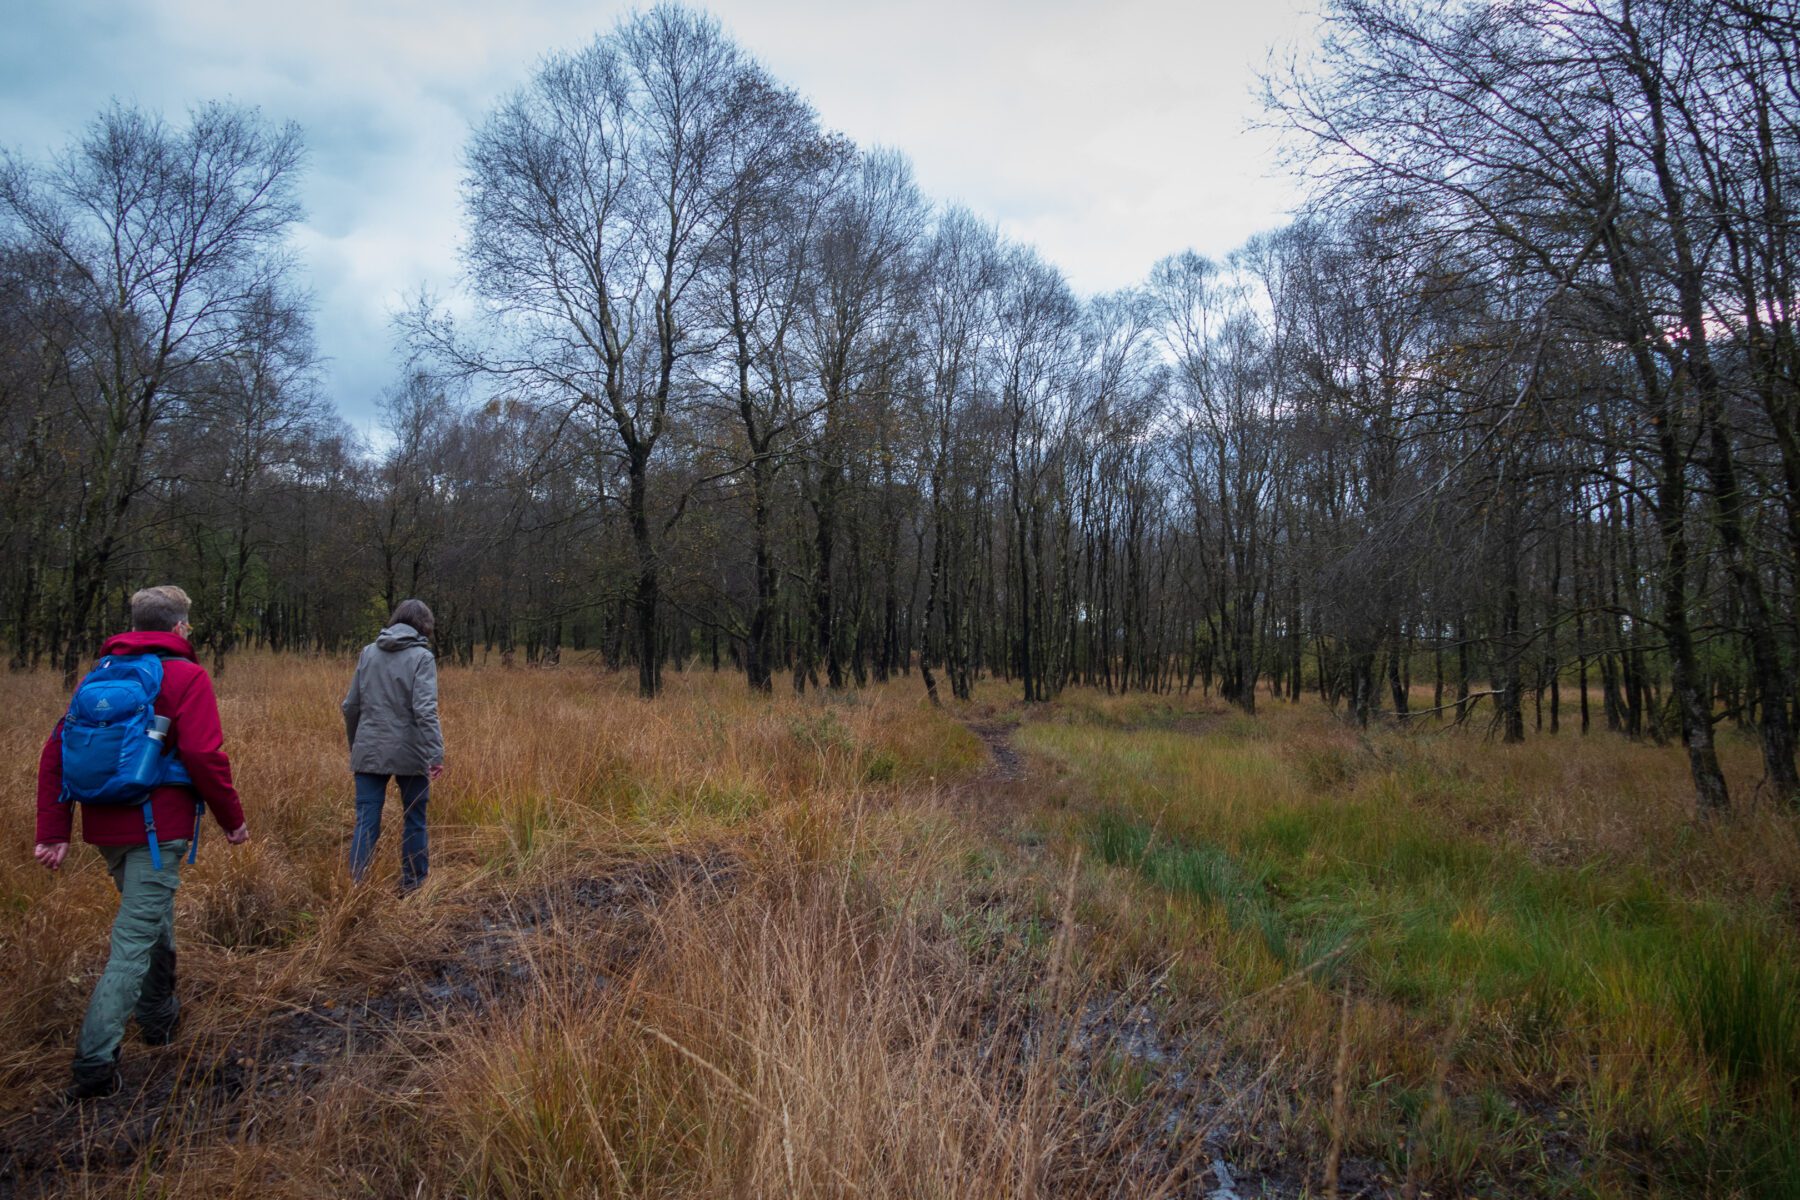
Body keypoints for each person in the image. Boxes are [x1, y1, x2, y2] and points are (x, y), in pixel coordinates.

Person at [33, 585, 250, 1102]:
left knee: (152, 920)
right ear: (178, 628)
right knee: (132, 940)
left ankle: (159, 1019)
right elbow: (204, 756)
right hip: (159, 829)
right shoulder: (186, 675)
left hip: (105, 827)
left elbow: (55, 753)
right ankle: (94, 1062)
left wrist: (54, 831)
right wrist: (232, 820)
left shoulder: (100, 676)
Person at [342, 599, 444, 892]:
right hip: (410, 752)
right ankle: (413, 886)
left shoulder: (368, 653)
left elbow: (350, 706)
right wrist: (435, 753)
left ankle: (356, 888)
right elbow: (424, 710)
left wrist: (356, 744)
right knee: (414, 818)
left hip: (368, 748)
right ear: (424, 625)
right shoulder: (422, 657)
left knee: (366, 819)